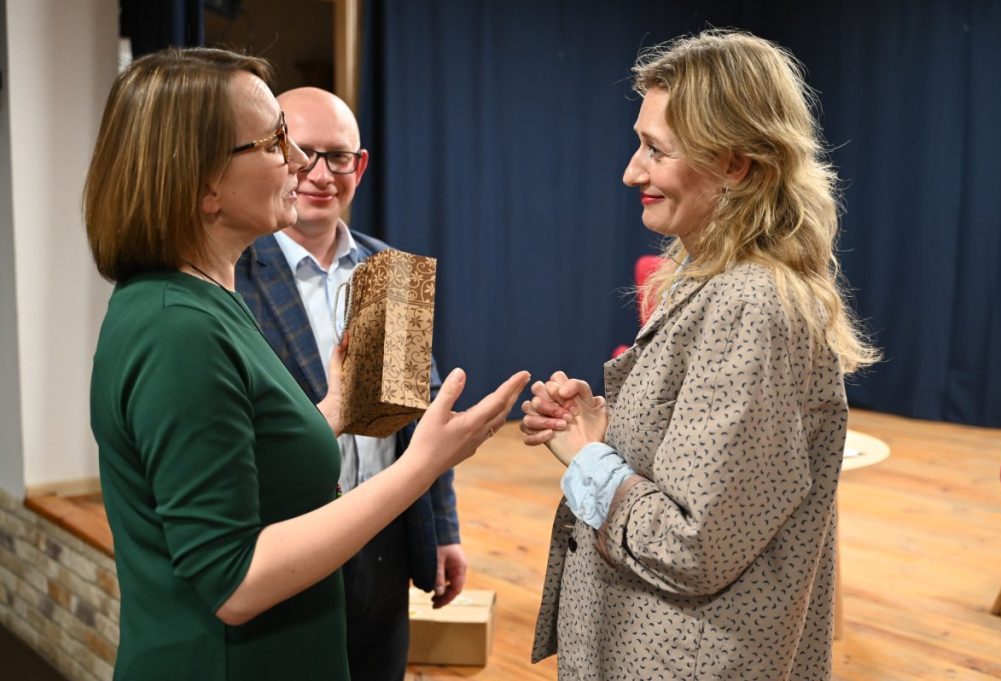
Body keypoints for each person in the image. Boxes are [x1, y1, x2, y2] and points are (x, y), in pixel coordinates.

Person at [83, 47, 529, 681]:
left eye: (331, 154)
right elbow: (234, 581)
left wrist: (336, 410)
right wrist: (424, 464)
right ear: (204, 182)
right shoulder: (178, 328)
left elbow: (256, 452)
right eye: (276, 143)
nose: (299, 163)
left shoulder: (212, 299)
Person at [521, 30, 878, 680]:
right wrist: (606, 427)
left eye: (656, 150)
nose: (632, 171)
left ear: (736, 164)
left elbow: (694, 545)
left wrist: (588, 457)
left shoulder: (752, 303)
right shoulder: (715, 280)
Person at [234, 87, 464, 681]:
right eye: (302, 153)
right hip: (290, 542)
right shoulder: (233, 275)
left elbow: (420, 417)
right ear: (276, 156)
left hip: (385, 538)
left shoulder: (392, 270)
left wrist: (443, 532)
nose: (319, 174)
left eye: (337, 157)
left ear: (359, 167)